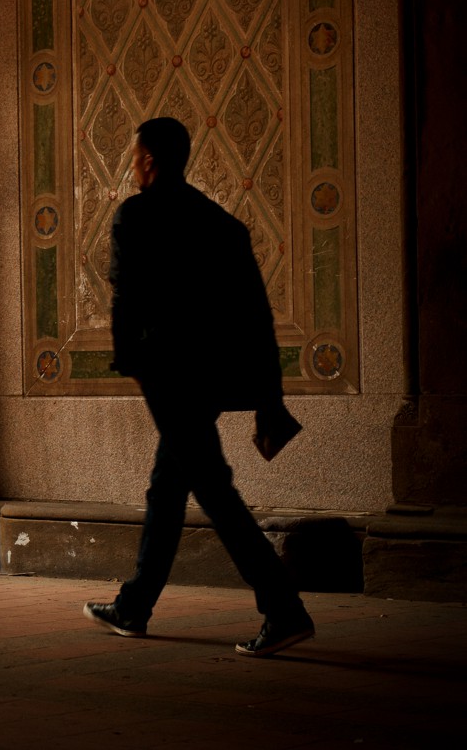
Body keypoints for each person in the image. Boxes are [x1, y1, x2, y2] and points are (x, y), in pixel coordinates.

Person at [83, 116, 314, 657]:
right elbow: (257, 318)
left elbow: (126, 298)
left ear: (149, 160)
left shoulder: (134, 217)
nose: (131, 162)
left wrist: (135, 367)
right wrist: (268, 399)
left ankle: (284, 610)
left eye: (133, 154)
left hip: (170, 379)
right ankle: (134, 606)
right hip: (212, 379)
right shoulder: (222, 225)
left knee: (214, 491)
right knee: (168, 488)